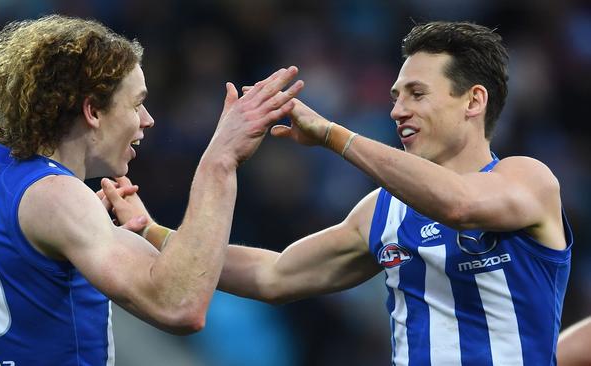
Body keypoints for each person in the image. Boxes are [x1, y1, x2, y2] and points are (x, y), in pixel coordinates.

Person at [104, 21, 573, 365]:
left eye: (416, 94)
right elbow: (275, 274)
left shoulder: (529, 180)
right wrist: (155, 233)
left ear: (473, 100)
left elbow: (461, 205)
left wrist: (332, 134)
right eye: (394, 96)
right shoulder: (383, 211)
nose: (397, 111)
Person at [0, 14, 304, 365]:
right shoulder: (56, 195)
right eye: (137, 103)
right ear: (93, 110)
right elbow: (179, 306)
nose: (147, 119)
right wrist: (221, 160)